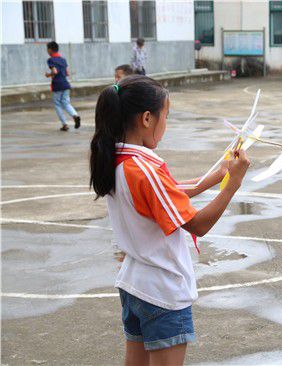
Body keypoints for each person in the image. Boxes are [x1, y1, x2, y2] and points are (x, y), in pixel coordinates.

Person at [89, 75, 250, 365]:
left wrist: (217, 176)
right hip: (161, 291)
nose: (166, 124)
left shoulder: (119, 159)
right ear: (147, 118)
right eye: (167, 116)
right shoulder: (145, 168)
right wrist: (233, 184)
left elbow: (168, 192)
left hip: (135, 283)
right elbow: (198, 224)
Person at [45, 41, 81, 131]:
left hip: (57, 84)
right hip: (65, 84)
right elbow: (67, 73)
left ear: (50, 50)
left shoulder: (51, 60)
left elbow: (55, 71)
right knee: (66, 102)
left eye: (47, 49)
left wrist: (48, 75)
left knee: (57, 104)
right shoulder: (63, 60)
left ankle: (65, 124)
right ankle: (75, 115)